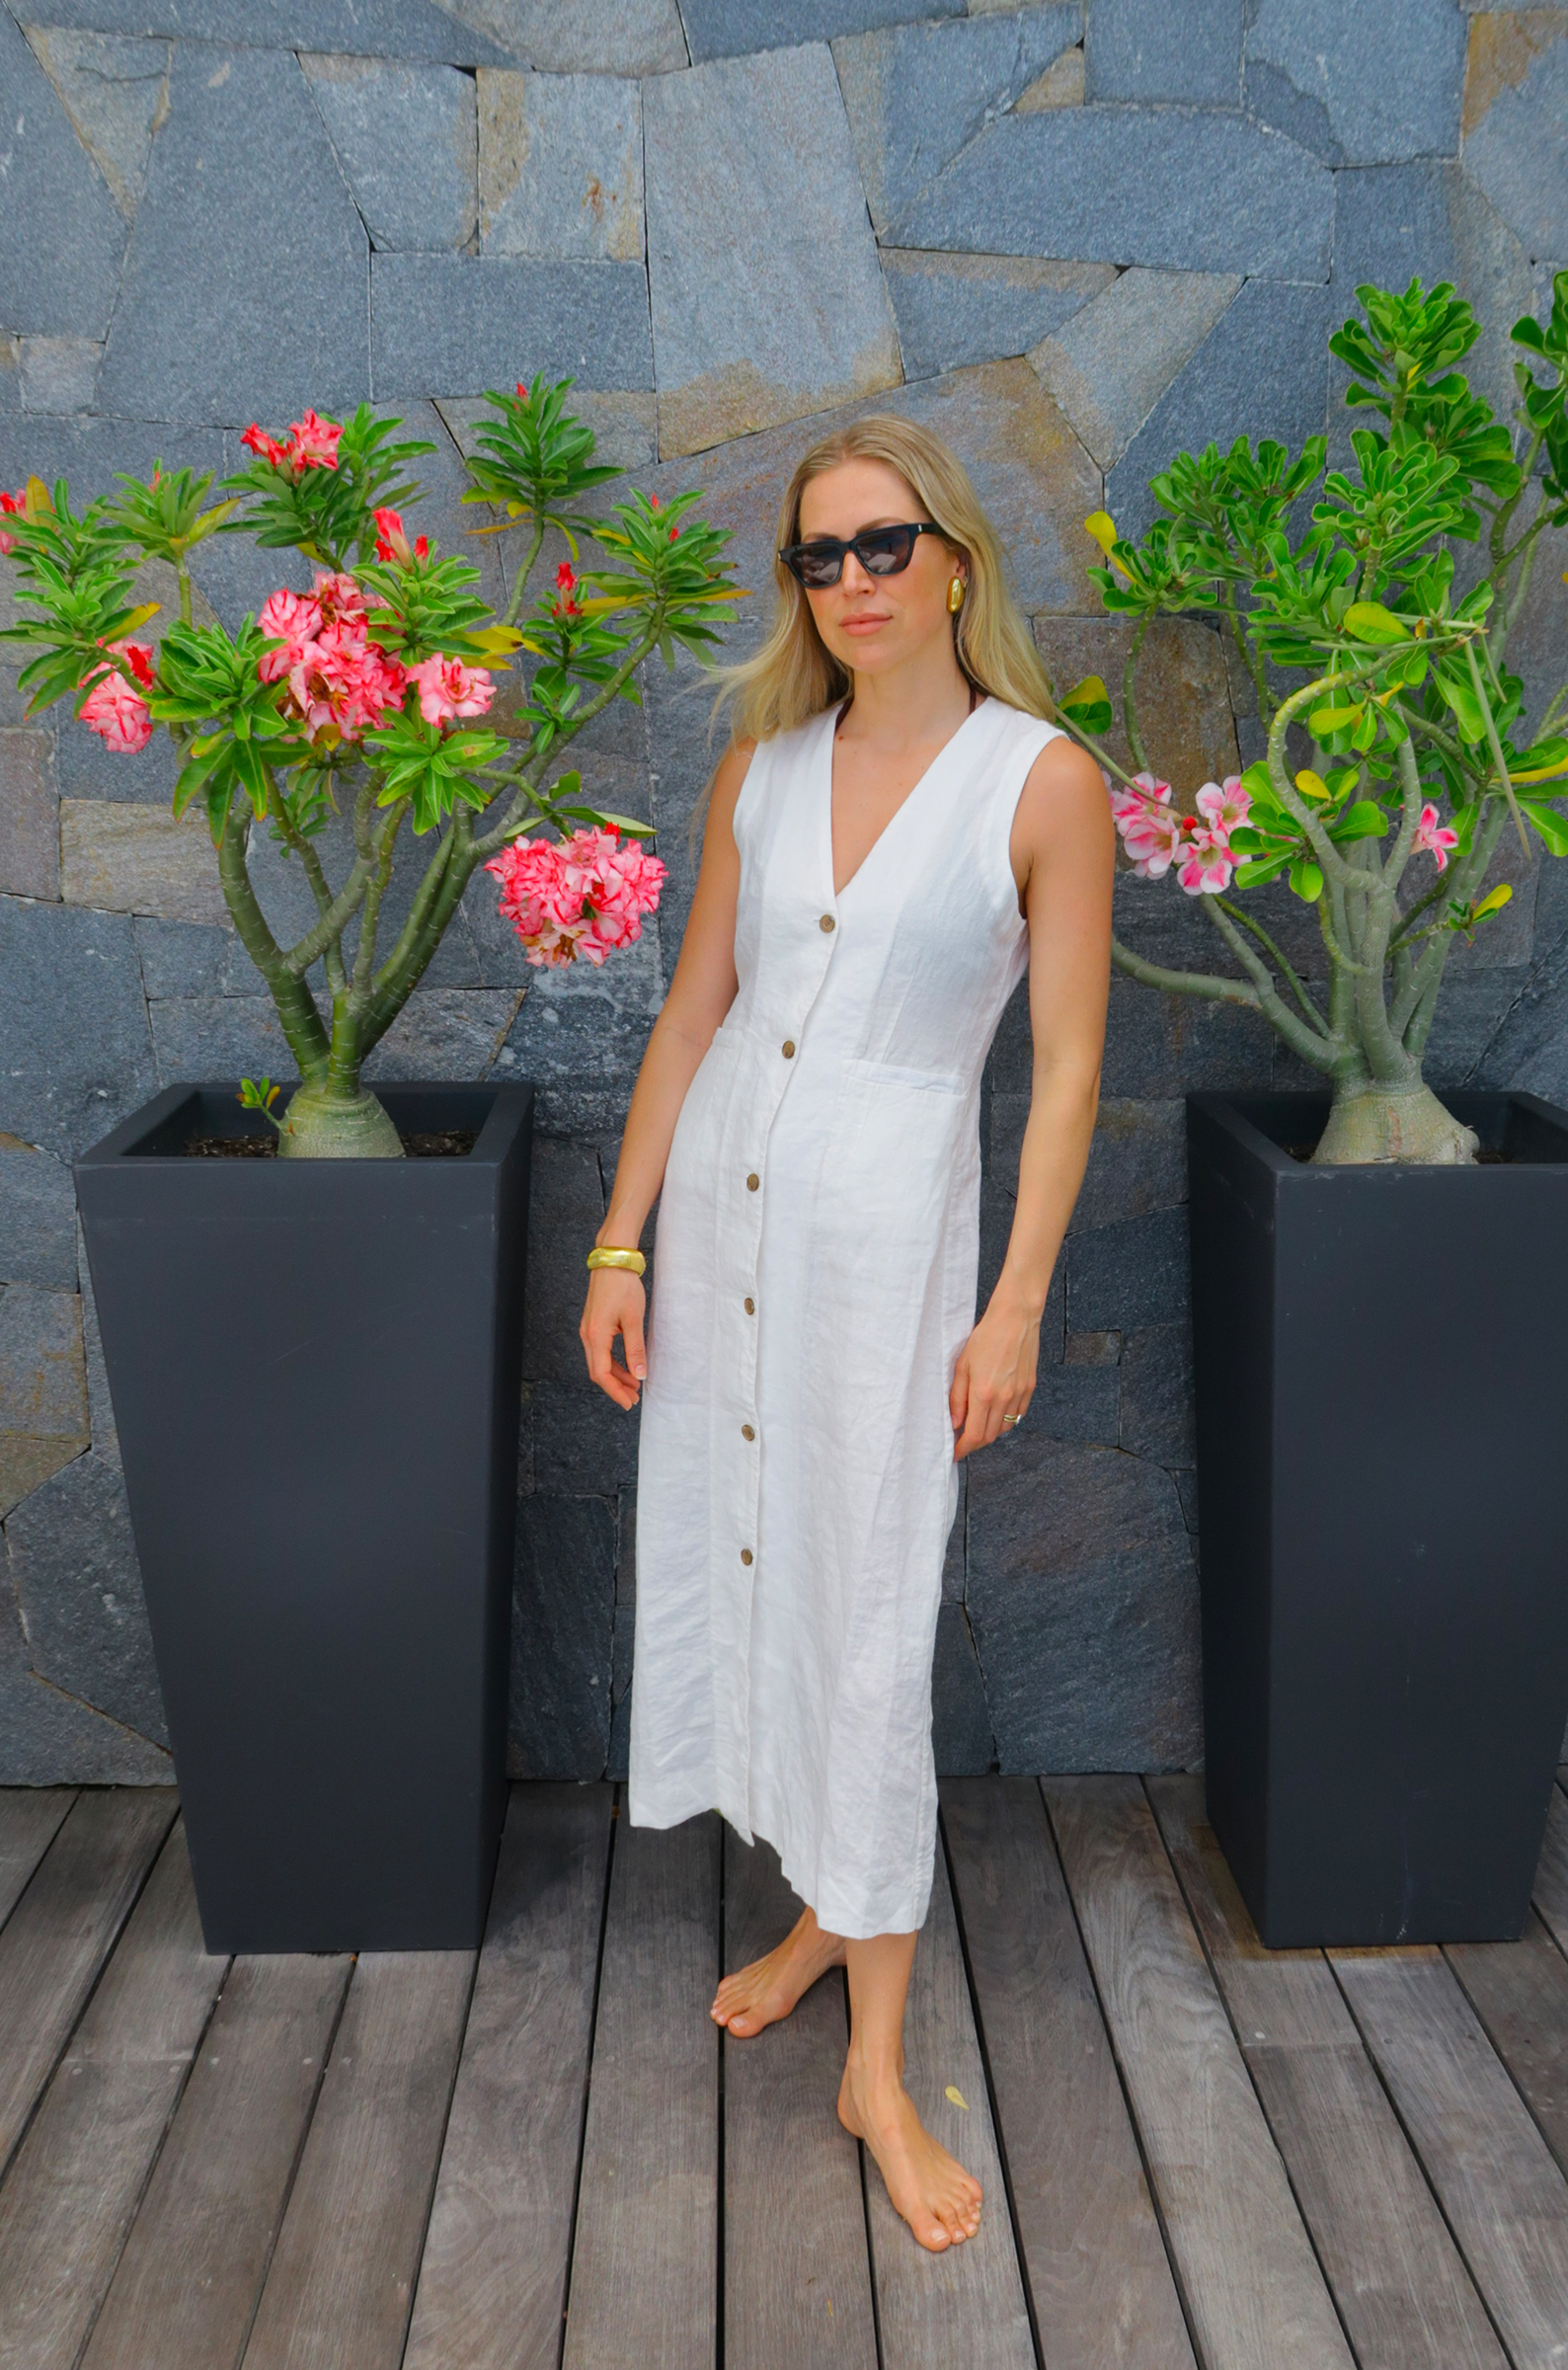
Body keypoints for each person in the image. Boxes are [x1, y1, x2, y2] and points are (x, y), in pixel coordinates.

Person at [578, 415, 1112, 2252]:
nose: (856, 582)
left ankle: (879, 2063)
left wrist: (1017, 1299)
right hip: (722, 1233)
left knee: (867, 1617)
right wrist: (617, 1246)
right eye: (821, 556)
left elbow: (1065, 1078)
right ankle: (815, 1912)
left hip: (890, 1261)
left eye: (886, 545)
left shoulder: (1038, 784)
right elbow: (688, 1018)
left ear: (955, 556)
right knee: (758, 1572)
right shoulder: (763, 765)